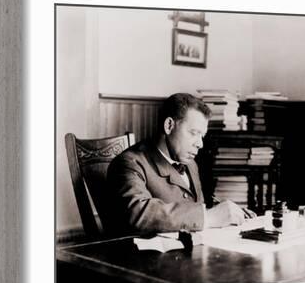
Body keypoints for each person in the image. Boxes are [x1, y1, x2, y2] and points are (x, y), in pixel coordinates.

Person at [107, 93, 252, 235]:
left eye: (202, 136)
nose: (200, 144)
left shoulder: (190, 164)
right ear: (169, 125)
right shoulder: (130, 162)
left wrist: (229, 213)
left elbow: (193, 206)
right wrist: (209, 217)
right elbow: (137, 212)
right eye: (194, 133)